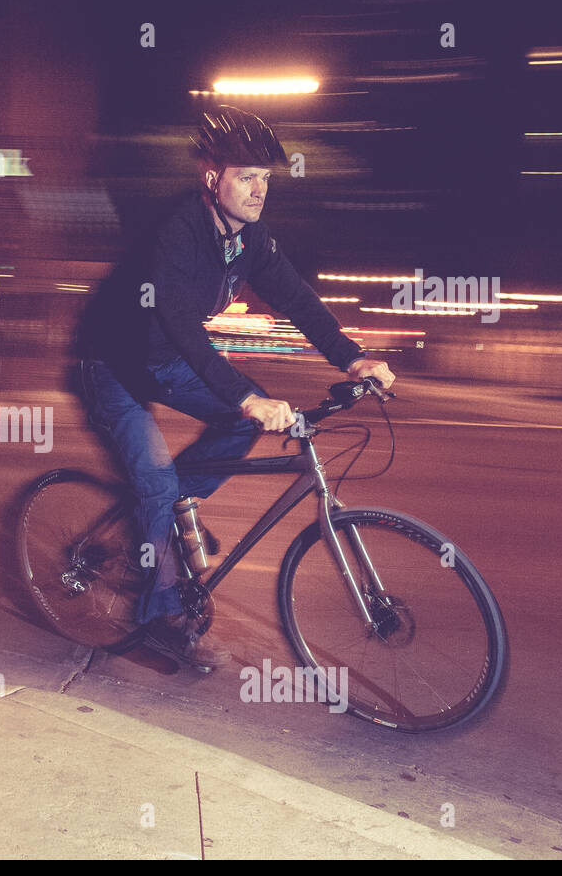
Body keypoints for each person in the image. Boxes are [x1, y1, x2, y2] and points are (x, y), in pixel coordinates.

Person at [74, 105, 396, 668]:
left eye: (266, 178)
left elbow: (296, 299)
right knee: (156, 479)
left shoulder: (249, 239)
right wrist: (247, 395)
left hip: (165, 360)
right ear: (211, 178)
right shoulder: (175, 232)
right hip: (113, 364)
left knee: (231, 426)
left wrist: (352, 360)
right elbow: (177, 322)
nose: (258, 189)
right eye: (246, 176)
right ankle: (155, 616)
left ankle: (172, 511)